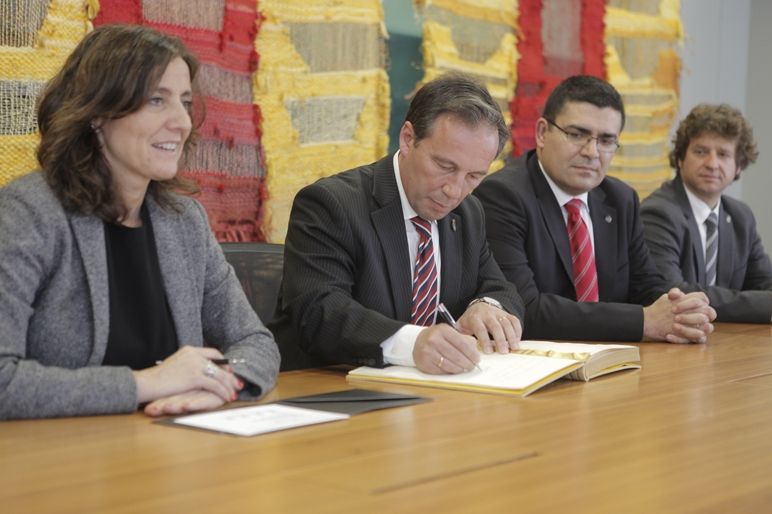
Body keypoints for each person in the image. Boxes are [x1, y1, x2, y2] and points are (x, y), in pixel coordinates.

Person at [0, 25, 280, 420]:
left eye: (185, 102)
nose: (182, 121)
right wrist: (147, 383)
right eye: (156, 100)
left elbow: (255, 341)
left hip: (170, 444)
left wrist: (220, 386)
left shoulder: (185, 220)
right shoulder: (29, 213)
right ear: (97, 115)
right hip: (61, 453)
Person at [270, 74, 524, 374]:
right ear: (407, 139)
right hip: (334, 386)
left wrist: (488, 306)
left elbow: (500, 287)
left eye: (474, 176)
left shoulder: (468, 213)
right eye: (445, 166)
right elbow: (319, 313)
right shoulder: (332, 204)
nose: (455, 191)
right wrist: (412, 343)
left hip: (435, 390)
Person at [473, 75, 715, 343]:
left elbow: (646, 286)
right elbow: (523, 307)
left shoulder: (621, 199)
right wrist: (643, 321)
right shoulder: (503, 196)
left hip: (615, 357)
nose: (592, 151)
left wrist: (680, 311)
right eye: (577, 135)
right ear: (542, 133)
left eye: (606, 140)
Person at [640, 104, 772, 324]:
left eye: (723, 154)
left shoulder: (740, 216)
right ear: (680, 158)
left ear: (739, 166)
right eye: (701, 152)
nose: (712, 164)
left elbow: (764, 280)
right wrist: (769, 307)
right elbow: (671, 292)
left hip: (725, 338)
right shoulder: (659, 212)